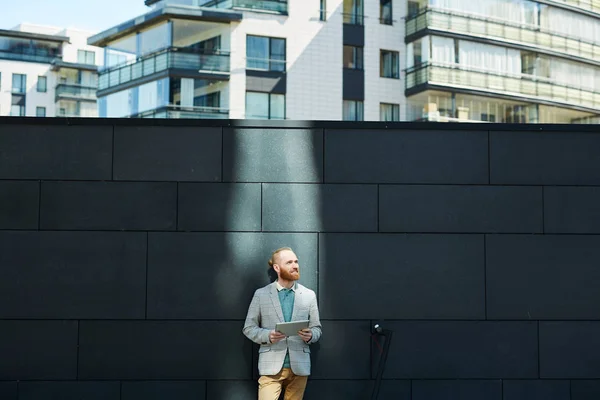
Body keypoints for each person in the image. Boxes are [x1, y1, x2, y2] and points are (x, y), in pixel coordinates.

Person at [243, 247, 322, 400]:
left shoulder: (308, 295)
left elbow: (317, 328)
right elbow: (248, 328)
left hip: (299, 366)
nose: (295, 265)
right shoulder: (261, 294)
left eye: (296, 261)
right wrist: (268, 335)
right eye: (289, 262)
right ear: (277, 268)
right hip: (270, 367)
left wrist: (311, 334)